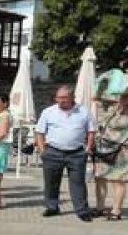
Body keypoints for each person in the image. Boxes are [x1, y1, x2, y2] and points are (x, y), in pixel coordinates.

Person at [34, 85, 97, 221]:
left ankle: (82, 210)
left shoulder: (84, 112)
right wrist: (42, 151)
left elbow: (91, 131)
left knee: (78, 183)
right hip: (53, 152)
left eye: (64, 98)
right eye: (58, 98)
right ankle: (52, 207)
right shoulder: (48, 112)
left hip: (77, 153)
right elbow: (39, 132)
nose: (60, 101)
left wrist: (88, 148)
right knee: (51, 182)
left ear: (72, 97)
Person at [93, 89, 128, 220]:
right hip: (104, 148)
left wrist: (126, 85)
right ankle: (100, 207)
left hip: (122, 150)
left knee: (117, 180)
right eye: (121, 96)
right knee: (100, 179)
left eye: (125, 96)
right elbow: (98, 98)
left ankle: (116, 210)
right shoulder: (116, 109)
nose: (121, 98)